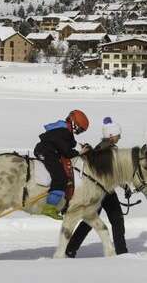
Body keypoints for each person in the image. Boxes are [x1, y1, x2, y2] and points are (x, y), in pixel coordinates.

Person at [65, 117, 129, 257]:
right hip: (105, 192)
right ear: (112, 135)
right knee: (116, 220)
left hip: (101, 190)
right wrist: (125, 186)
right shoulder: (109, 150)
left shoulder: (102, 147)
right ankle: (122, 251)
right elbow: (113, 172)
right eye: (118, 135)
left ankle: (70, 249)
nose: (120, 137)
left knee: (89, 222)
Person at [34, 110, 90, 220]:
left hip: (47, 151)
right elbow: (67, 152)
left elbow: (65, 147)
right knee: (60, 178)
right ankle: (49, 207)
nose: (78, 132)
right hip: (47, 152)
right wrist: (79, 152)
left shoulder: (62, 130)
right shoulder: (63, 131)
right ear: (74, 123)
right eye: (79, 129)